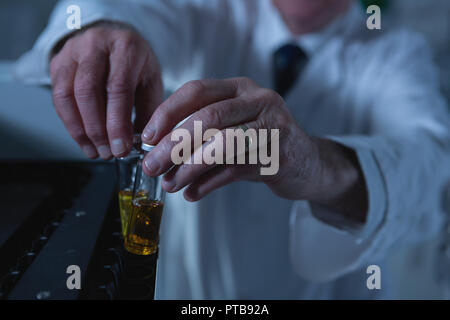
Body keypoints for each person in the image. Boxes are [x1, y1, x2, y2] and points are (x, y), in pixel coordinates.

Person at [14, 0, 450, 299]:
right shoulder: (207, 11)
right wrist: (99, 29)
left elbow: (430, 171)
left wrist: (314, 163)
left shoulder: (396, 51)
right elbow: (119, 5)